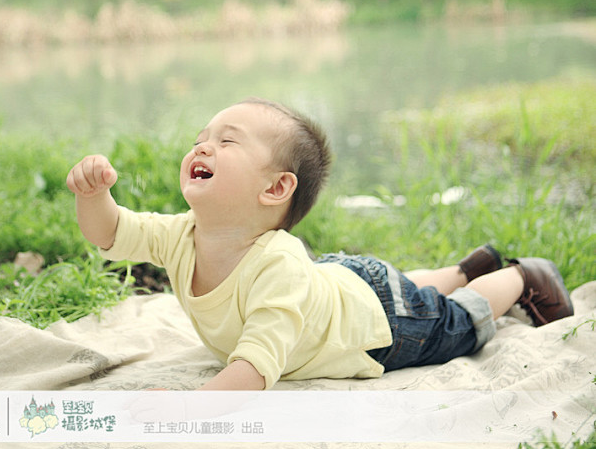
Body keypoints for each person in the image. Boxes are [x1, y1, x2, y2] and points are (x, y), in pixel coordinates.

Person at [67, 97, 574, 391]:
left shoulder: (277, 266)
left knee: (451, 320)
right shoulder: (181, 233)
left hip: (378, 328)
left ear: (275, 189)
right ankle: (465, 268)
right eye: (203, 137)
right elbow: (111, 234)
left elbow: (252, 369)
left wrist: (185, 409)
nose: (203, 146)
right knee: (405, 290)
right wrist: (95, 196)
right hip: (337, 283)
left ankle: (519, 275)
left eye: (227, 141)